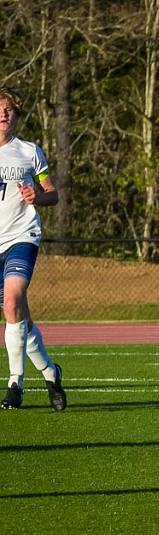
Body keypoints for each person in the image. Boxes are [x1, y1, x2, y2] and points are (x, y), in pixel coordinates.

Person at [0, 86, 66, 411]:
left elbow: (52, 193)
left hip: (22, 236)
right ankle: (51, 373)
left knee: (12, 301)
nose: (3, 114)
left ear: (16, 115)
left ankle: (15, 384)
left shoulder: (29, 151)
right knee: (19, 317)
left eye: (8, 109)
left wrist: (36, 197)